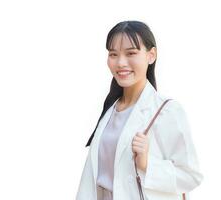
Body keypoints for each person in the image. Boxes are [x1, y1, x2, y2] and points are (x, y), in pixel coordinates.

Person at [76, 20, 203, 200]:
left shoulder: (167, 111)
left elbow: (191, 176)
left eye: (131, 53)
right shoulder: (110, 110)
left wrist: (147, 164)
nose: (120, 63)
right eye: (113, 54)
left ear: (151, 55)